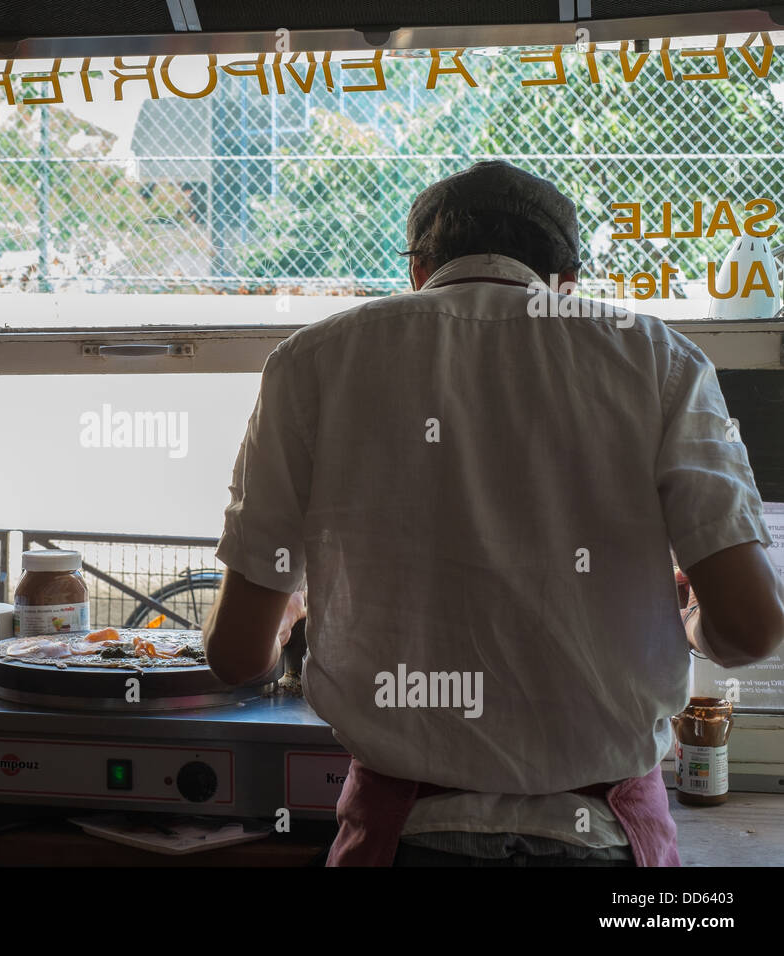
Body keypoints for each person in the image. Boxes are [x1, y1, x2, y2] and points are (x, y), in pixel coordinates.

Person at [202, 160, 784, 867]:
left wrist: (288, 616)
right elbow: (752, 630)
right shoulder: (660, 359)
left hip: (399, 835)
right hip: (601, 834)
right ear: (567, 282)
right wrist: (691, 620)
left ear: (418, 270)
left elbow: (234, 657)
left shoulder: (309, 361)